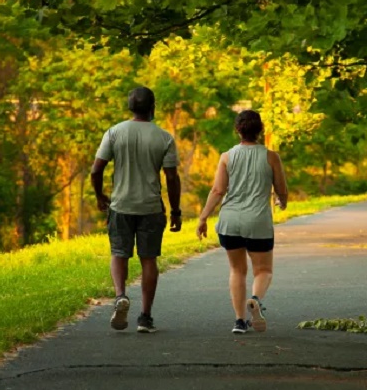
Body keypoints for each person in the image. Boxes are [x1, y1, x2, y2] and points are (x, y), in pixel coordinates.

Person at [91, 86, 182, 334]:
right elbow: (172, 177)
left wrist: (100, 196)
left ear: (130, 107)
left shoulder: (114, 133)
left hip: (120, 205)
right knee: (148, 259)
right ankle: (145, 317)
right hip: (151, 207)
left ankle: (121, 296)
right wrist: (175, 211)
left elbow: (96, 170)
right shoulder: (164, 138)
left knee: (119, 253)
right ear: (153, 107)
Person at [196, 110, 288, 334]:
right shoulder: (271, 156)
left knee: (237, 270)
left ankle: (239, 321)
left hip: (230, 222)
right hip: (258, 222)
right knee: (263, 270)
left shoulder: (227, 157)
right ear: (261, 131)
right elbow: (281, 189)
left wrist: (203, 217)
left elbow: (218, 190)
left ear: (237, 130)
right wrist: (281, 201)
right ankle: (255, 300)